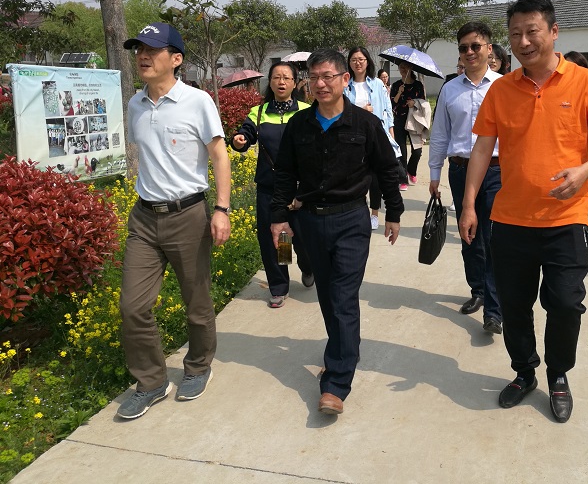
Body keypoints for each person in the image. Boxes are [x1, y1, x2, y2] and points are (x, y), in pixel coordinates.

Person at [459, 0, 588, 423]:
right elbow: (482, 149)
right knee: (514, 306)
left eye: (532, 31)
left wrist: (584, 171)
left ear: (553, 32)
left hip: (566, 221)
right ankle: (524, 372)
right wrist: (469, 204)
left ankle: (558, 374)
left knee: (566, 303)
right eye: (515, 33)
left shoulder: (586, 83)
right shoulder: (501, 90)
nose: (523, 41)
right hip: (510, 221)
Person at [270, 49, 403, 416]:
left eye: (328, 76)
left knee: (343, 295)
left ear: (345, 79)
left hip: (351, 221)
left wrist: (393, 212)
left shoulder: (365, 124)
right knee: (329, 295)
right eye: (314, 77)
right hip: (311, 221)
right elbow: (285, 173)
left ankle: (336, 382)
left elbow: (386, 169)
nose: (320, 83)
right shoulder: (299, 125)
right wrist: (279, 218)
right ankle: (346, 347)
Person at [117, 22, 231, 420]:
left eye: (152, 49)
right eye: (139, 50)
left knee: (196, 303)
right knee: (132, 306)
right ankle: (151, 382)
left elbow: (219, 155)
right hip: (145, 218)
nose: (142, 56)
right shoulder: (135, 105)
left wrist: (221, 209)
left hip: (188, 216)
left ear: (176, 59)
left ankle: (198, 367)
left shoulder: (197, 101)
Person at [429, 21, 503, 334]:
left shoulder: (503, 87)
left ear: (489, 48)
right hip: (460, 169)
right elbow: (440, 134)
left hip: (496, 172)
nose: (470, 52)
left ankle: (494, 310)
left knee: (494, 237)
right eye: (463, 48)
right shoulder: (450, 89)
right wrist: (435, 173)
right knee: (469, 234)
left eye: (475, 46)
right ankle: (478, 291)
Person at [231, 61, 314, 308]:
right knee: (276, 239)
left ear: (294, 83)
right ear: (270, 82)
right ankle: (279, 286)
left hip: (299, 188)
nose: (281, 82)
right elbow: (246, 134)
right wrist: (239, 140)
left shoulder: (306, 111)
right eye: (277, 77)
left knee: (304, 239)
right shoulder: (259, 112)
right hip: (270, 188)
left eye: (286, 77)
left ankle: (308, 266)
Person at [345, 47, 401, 230]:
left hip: (376, 136)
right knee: (356, 177)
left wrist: (391, 135)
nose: (358, 63)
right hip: (353, 138)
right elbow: (342, 111)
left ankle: (374, 214)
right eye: (354, 59)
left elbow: (387, 110)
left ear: (367, 61)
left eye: (361, 59)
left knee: (376, 178)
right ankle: (357, 212)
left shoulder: (377, 84)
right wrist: (361, 111)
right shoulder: (345, 85)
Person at [390, 61, 426, 189]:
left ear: (411, 68)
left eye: (405, 68)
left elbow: (423, 102)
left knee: (417, 150)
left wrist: (414, 103)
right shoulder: (396, 85)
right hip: (399, 120)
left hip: (414, 120)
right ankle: (403, 179)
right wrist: (399, 92)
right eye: (401, 68)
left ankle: (411, 170)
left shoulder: (418, 85)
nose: (403, 70)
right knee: (402, 151)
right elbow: (392, 103)